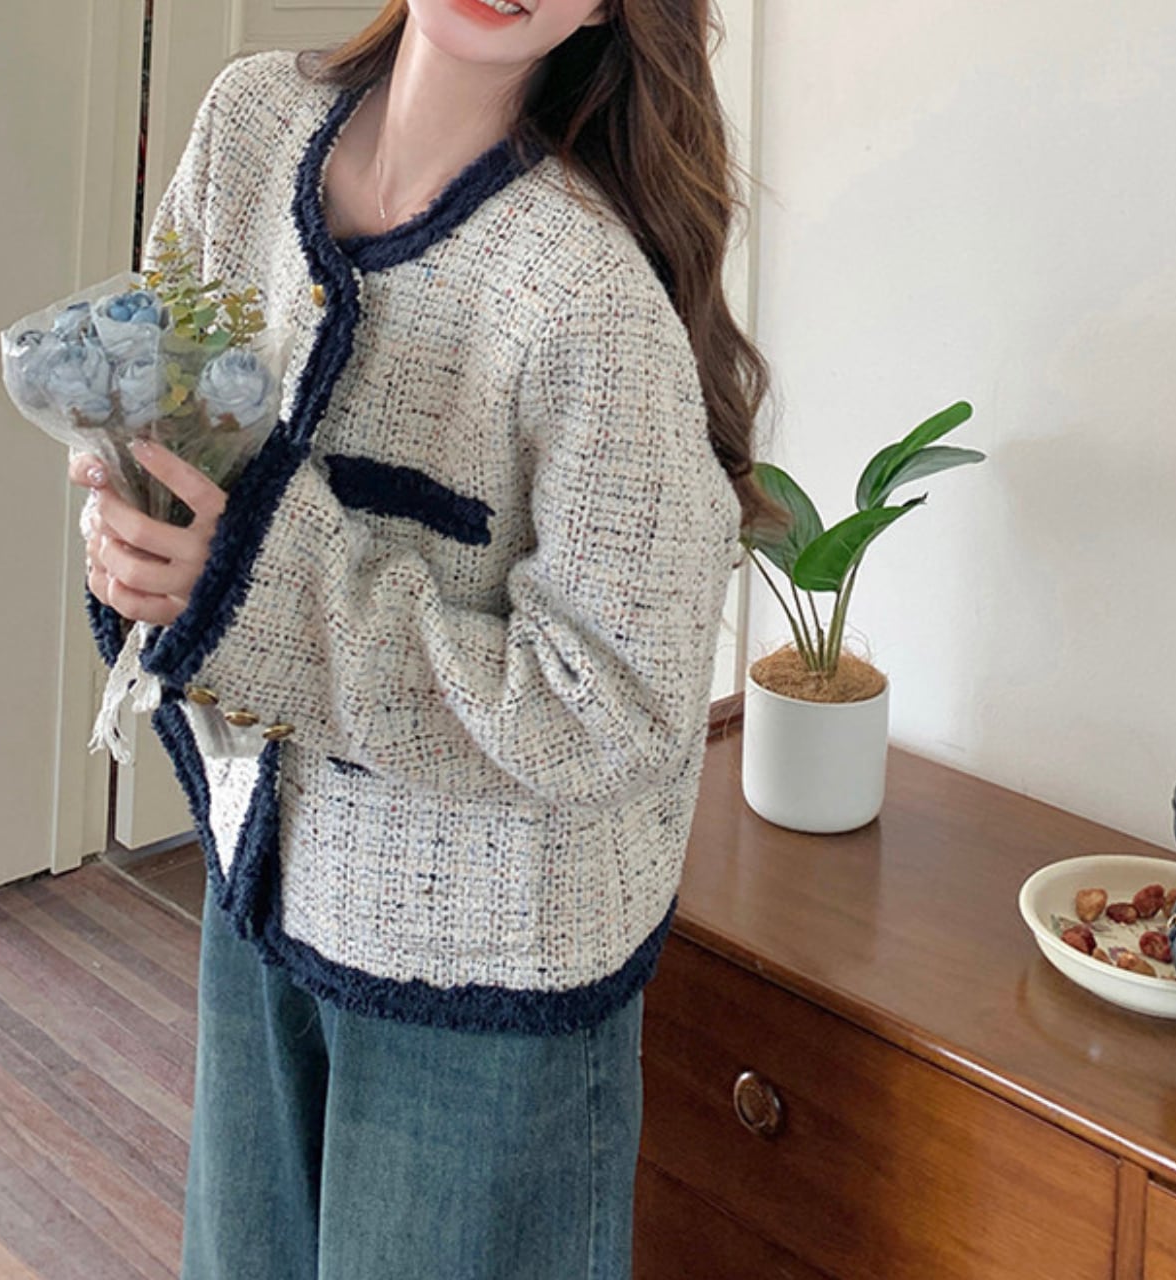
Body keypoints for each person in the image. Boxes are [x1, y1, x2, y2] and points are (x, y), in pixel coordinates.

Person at [70, 1, 769, 1276]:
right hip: (264, 884)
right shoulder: (248, 126)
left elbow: (614, 703)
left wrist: (254, 588)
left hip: (488, 977)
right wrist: (137, 538)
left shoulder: (586, 295)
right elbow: (167, 418)